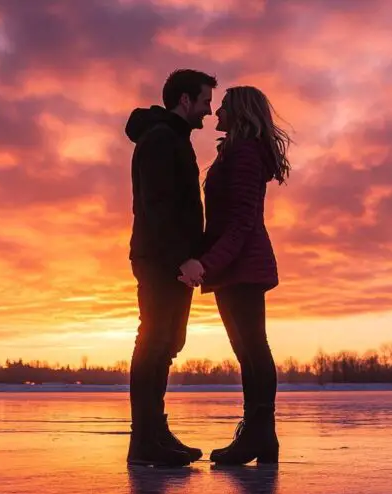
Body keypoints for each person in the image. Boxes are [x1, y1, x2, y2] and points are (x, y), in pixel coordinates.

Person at [178, 86, 292, 465]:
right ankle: (261, 435)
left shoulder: (243, 152)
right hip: (235, 266)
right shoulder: (236, 150)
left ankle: (258, 433)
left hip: (241, 265)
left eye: (223, 105)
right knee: (248, 350)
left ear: (240, 111)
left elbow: (242, 222)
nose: (216, 112)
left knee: (252, 348)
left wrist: (208, 264)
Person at [123, 69, 217, 467]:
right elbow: (157, 205)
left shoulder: (173, 138)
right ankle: (144, 439)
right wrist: (183, 256)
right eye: (204, 101)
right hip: (161, 258)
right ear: (184, 100)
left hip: (169, 258)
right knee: (155, 340)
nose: (209, 110)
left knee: (167, 343)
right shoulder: (162, 139)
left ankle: (154, 432)